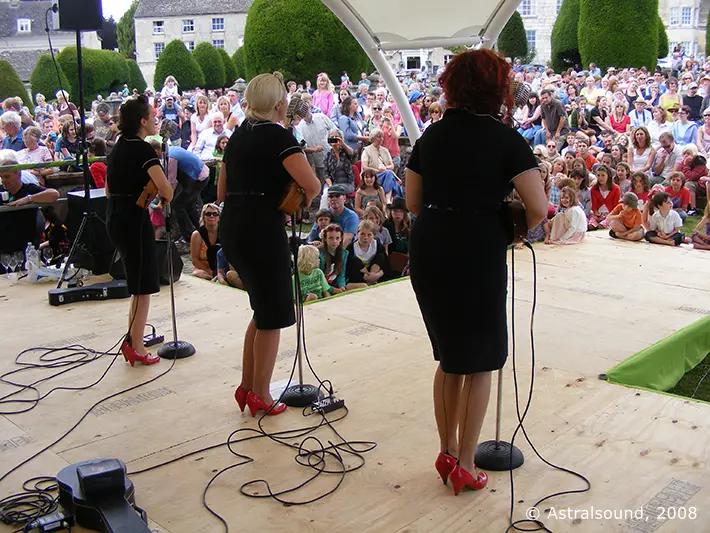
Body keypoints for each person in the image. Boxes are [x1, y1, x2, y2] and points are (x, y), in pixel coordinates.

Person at [405, 49, 548, 495]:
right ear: (498, 89)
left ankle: (447, 451)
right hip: (478, 247)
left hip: (430, 246)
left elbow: (412, 203)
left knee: (450, 357)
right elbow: (540, 208)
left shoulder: (431, 136)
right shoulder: (506, 139)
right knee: (482, 358)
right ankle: (466, 464)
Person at [217, 71, 320, 417]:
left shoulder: (237, 136)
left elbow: (221, 190)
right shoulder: (279, 138)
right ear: (278, 104)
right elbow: (313, 185)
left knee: (262, 310)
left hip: (233, 226)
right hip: (262, 229)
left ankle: (248, 386)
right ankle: (260, 391)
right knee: (274, 313)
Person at [105, 96, 173, 367]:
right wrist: (163, 196)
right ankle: (136, 346)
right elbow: (166, 188)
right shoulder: (143, 150)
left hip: (115, 215)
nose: (156, 120)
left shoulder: (118, 147)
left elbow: (110, 189)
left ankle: (133, 339)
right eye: (152, 116)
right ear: (142, 122)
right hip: (134, 220)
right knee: (143, 286)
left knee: (137, 284)